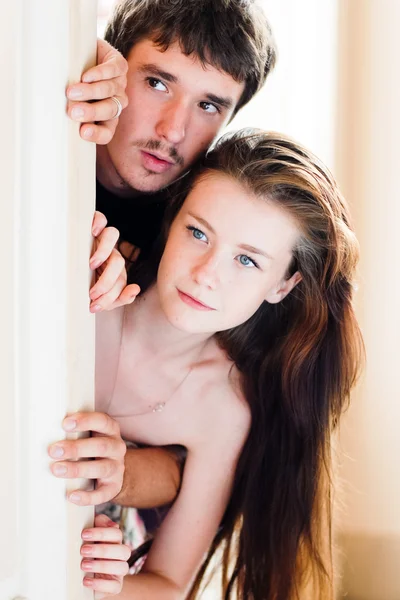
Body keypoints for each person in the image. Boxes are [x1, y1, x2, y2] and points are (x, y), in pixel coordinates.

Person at [83, 130, 363, 598]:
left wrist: (105, 583)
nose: (207, 274)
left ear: (283, 286)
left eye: (247, 261)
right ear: (172, 221)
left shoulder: (225, 410)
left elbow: (169, 584)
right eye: (198, 233)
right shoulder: (92, 273)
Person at [50, 0, 278, 512]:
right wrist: (60, 61)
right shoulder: (45, 118)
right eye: (157, 82)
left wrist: (132, 474)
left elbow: (179, 453)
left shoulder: (197, 234)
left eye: (209, 105)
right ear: (112, 63)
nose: (174, 130)